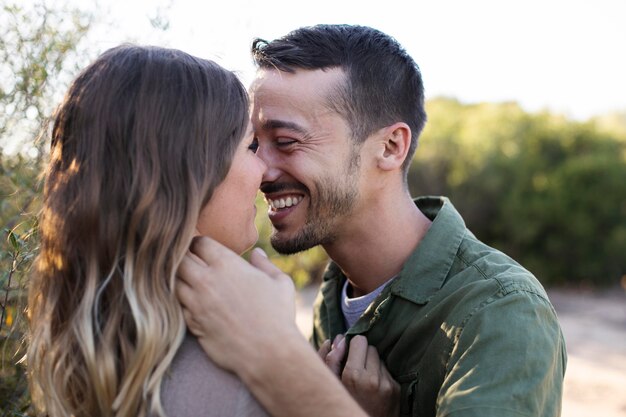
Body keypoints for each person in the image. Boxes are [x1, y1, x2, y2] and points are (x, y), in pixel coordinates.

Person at [177, 24, 567, 417]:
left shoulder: (502, 311)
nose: (260, 169)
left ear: (390, 146)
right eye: (254, 144)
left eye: (287, 142)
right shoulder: (336, 294)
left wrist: (276, 357)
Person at [26, 44, 368, 417]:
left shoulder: (101, 348)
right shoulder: (233, 388)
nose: (264, 172)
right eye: (249, 146)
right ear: (188, 177)